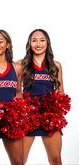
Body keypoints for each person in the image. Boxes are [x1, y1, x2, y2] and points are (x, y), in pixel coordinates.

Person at [20, 29, 64, 165]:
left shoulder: (56, 66)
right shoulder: (21, 64)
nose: (38, 44)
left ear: (47, 43)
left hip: (49, 115)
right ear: (29, 43)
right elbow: (15, 91)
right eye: (34, 40)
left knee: (55, 159)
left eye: (42, 40)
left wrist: (56, 111)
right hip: (29, 116)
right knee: (19, 160)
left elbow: (61, 93)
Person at [0, 30, 23, 165]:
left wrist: (20, 116)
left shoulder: (17, 68)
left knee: (18, 162)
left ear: (7, 44)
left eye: (0, 41)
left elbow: (18, 92)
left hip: (11, 121)